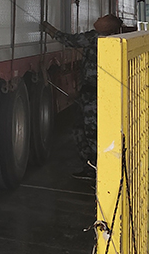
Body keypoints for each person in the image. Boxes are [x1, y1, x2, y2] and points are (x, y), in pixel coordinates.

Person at [40, 13, 124, 181]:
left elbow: (69, 40)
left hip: (93, 95)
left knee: (91, 132)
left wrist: (49, 29)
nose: (99, 18)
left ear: (108, 27)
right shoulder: (110, 39)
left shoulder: (96, 38)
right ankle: (90, 167)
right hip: (91, 93)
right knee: (80, 129)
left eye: (104, 18)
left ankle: (99, 171)